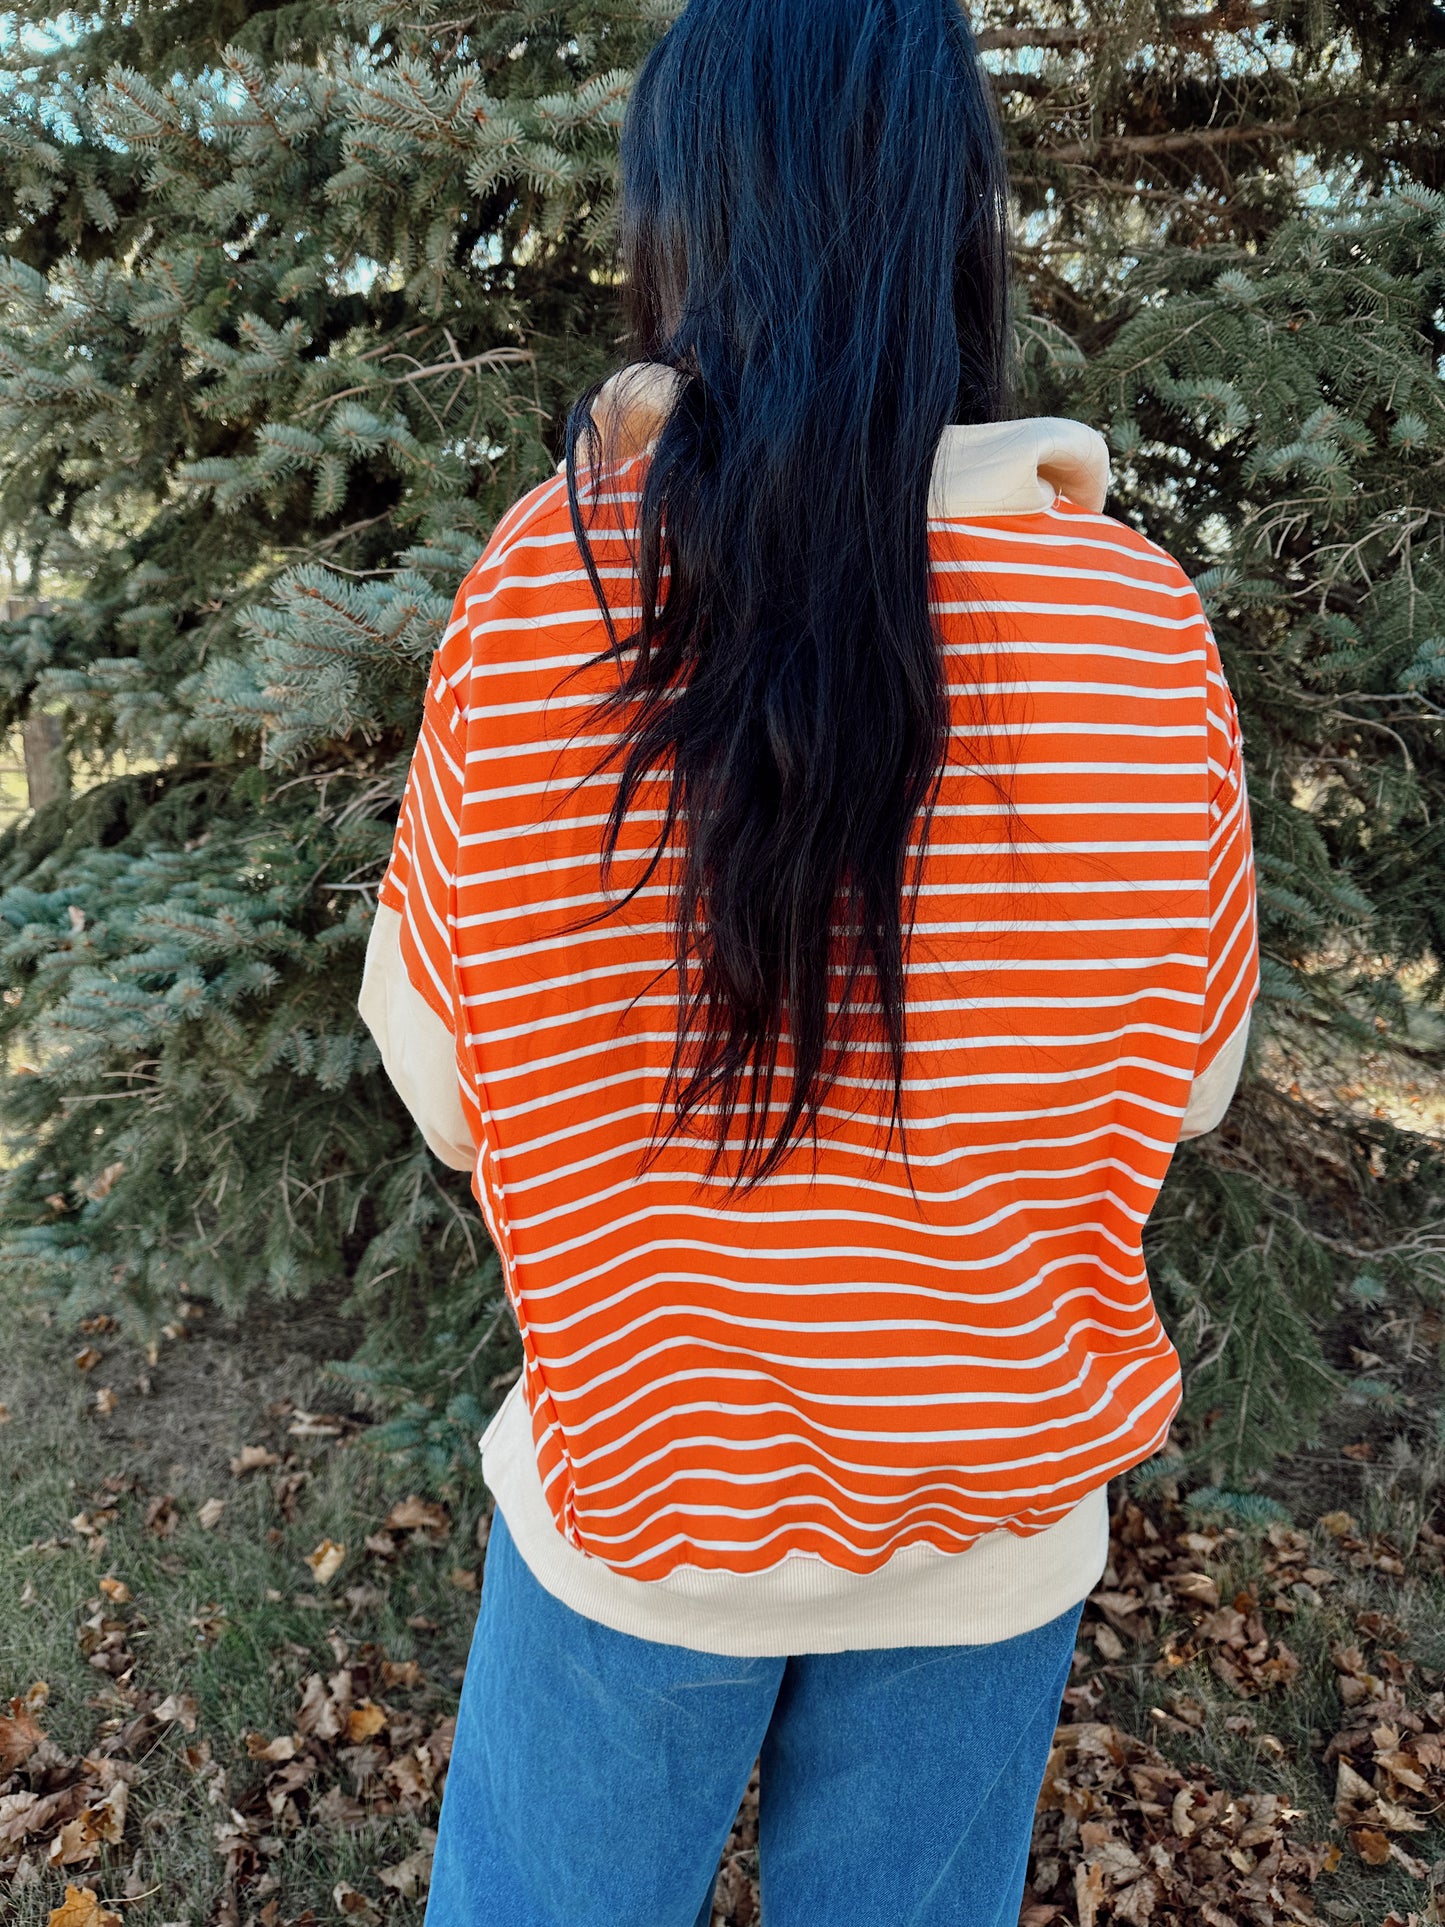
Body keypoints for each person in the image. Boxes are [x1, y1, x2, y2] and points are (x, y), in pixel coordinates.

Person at [357, 0, 1259, 1920]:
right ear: (953, 226)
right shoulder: (1139, 631)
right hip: (993, 1520)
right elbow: (1186, 1084)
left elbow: (446, 1091)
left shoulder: (555, 587)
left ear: (683, 233)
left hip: (638, 1513)